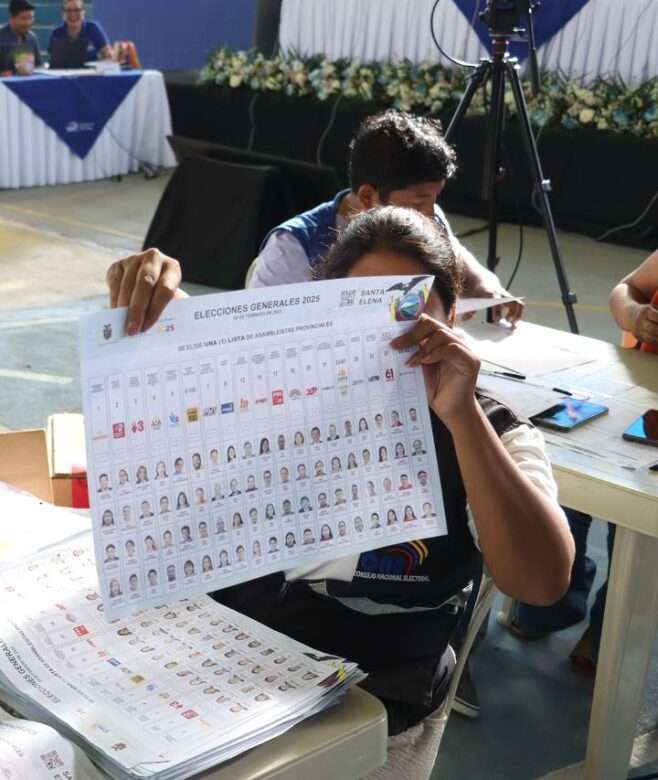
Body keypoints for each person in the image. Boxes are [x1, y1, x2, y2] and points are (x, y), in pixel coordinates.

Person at [105, 207, 572, 779]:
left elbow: (542, 581)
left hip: (370, 697)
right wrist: (157, 305)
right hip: (229, 665)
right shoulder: (284, 393)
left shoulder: (491, 431)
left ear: (454, 319)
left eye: (416, 322)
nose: (392, 347)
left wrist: (462, 416)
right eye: (362, 322)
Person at [502, 249, 658, 672]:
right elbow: (626, 289)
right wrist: (633, 313)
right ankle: (548, 606)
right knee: (565, 496)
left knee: (636, 532)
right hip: (631, 389)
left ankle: (610, 631)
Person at [247, 111, 523, 325]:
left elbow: (455, 254)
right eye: (419, 204)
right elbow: (259, 334)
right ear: (368, 196)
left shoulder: (426, 218)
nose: (430, 217)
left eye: (434, 201)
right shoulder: (292, 249)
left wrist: (484, 284)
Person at [47, 0, 110, 67]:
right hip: (64, 75)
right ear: (63, 13)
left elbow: (107, 55)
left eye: (77, 10)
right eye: (68, 10)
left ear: (84, 12)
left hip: (91, 75)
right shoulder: (56, 34)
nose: (73, 14)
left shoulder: (93, 28)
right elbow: (52, 61)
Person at [0, 0, 40, 76]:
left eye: (30, 18)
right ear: (11, 18)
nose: (27, 22)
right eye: (23, 19)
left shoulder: (32, 38)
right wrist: (2, 74)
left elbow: (38, 67)